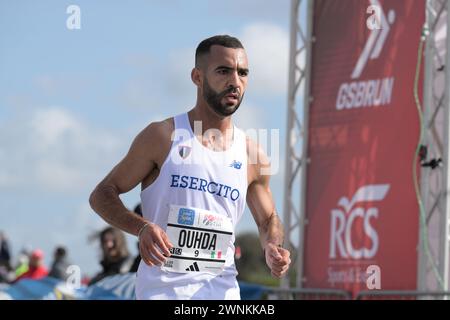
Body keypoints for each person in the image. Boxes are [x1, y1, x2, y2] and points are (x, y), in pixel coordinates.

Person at [89, 35, 291, 300]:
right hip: (164, 293)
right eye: (223, 71)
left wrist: (272, 247)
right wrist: (142, 228)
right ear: (197, 77)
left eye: (242, 73)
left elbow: (267, 220)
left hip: (224, 294)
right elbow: (102, 194)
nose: (235, 81)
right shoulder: (162, 137)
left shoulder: (253, 155)